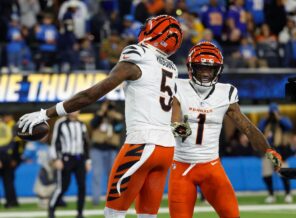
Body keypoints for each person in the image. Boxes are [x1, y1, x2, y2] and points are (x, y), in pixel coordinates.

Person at [18, 15, 183, 218]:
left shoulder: (138, 53)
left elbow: (92, 94)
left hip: (142, 144)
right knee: (148, 215)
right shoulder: (171, 67)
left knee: (113, 214)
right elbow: (175, 104)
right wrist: (178, 128)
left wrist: (47, 113)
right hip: (166, 148)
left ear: (152, 32)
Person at [168, 41, 282, 218]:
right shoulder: (178, 86)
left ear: (218, 70)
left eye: (210, 69)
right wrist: (181, 129)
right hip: (182, 167)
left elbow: (247, 128)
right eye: (201, 68)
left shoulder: (226, 92)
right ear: (191, 67)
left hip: (211, 167)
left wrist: (269, 151)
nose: (205, 73)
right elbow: (174, 122)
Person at [48, 111, 91, 218]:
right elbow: (55, 142)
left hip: (79, 158)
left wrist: (88, 160)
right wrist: (56, 159)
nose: (75, 111)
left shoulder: (81, 124)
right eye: (73, 109)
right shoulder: (61, 123)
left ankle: (80, 213)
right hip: (66, 158)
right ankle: (51, 208)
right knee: (62, 187)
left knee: (82, 186)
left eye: (77, 109)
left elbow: (86, 143)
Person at [90, 100, 124, 206]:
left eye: (110, 108)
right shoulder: (98, 115)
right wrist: (102, 113)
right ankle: (96, 200)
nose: (109, 110)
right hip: (97, 149)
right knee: (97, 175)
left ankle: (111, 199)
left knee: (112, 176)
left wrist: (113, 118)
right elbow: (93, 124)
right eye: (107, 107)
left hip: (111, 149)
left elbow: (119, 130)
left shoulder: (117, 118)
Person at [258, 103, 293, 203]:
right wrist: (267, 117)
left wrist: (278, 117)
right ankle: (271, 194)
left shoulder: (283, 121)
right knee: (266, 174)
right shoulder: (265, 122)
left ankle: (288, 194)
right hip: (268, 151)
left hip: (279, 151)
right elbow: (259, 128)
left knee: (283, 173)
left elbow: (289, 126)